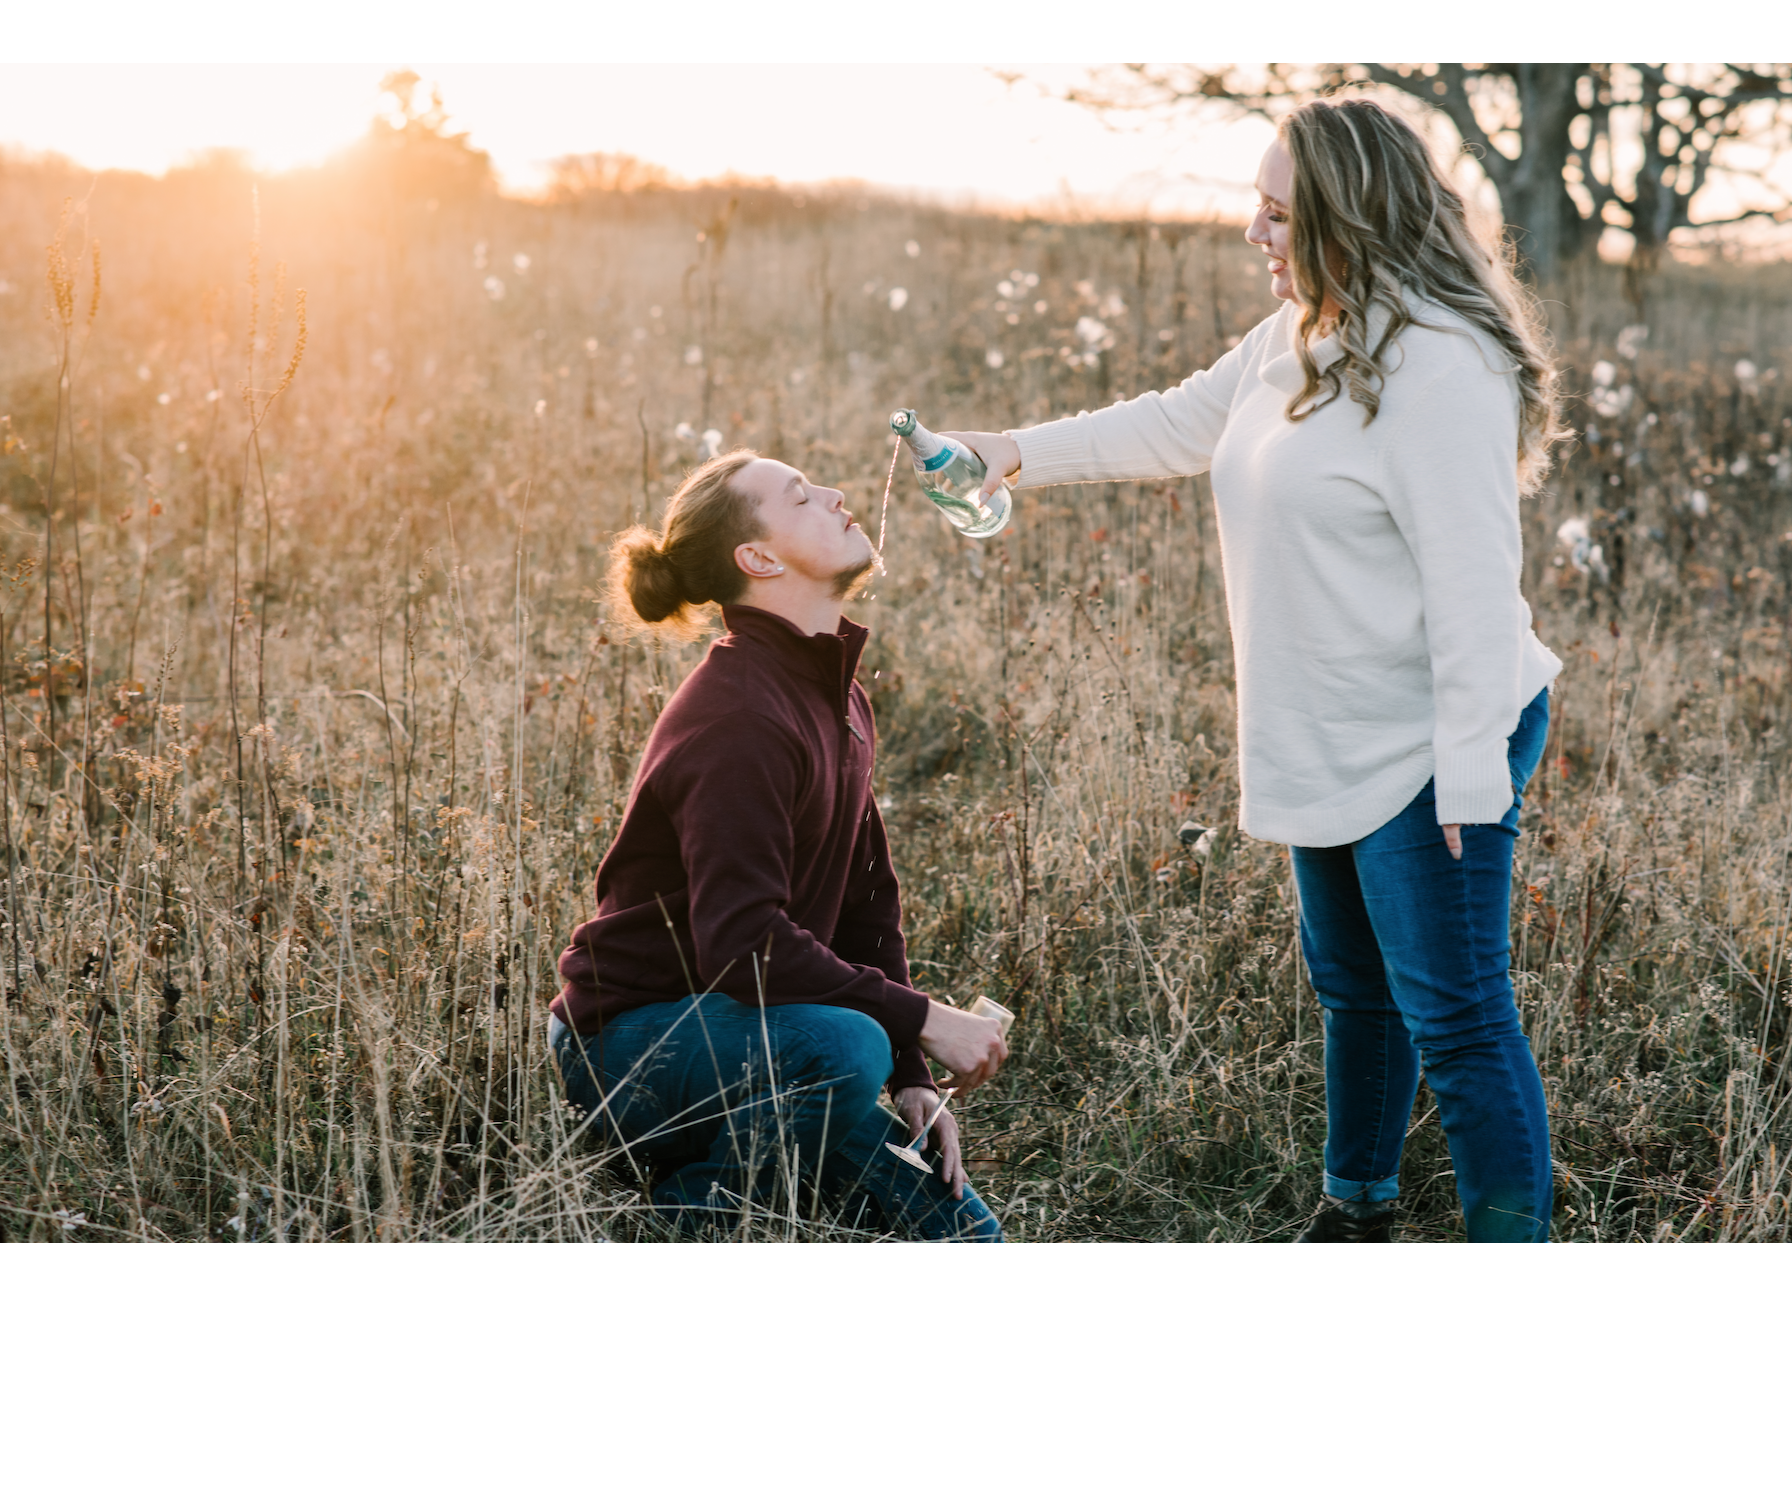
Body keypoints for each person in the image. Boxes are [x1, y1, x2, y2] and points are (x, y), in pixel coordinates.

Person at [950, 96, 1566, 1243]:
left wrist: (1471, 781)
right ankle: (1356, 1209)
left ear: (1348, 216)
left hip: (1433, 739)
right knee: (1353, 990)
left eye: (1279, 213)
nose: (1254, 234)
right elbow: (1173, 424)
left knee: (1461, 1018)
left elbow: (1480, 596)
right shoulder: (1299, 335)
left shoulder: (1444, 365)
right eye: (1257, 208)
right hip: (1327, 725)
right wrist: (1006, 455)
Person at [549, 448, 1009, 1240]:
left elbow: (869, 900)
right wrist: (920, 1018)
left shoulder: (834, 691)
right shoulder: (739, 717)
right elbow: (742, 941)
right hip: (631, 1047)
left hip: (764, 1041)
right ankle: (692, 1215)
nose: (834, 495)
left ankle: (770, 1149)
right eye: (800, 497)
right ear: (757, 558)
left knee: (967, 1239)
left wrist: (910, 1076)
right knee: (845, 1045)